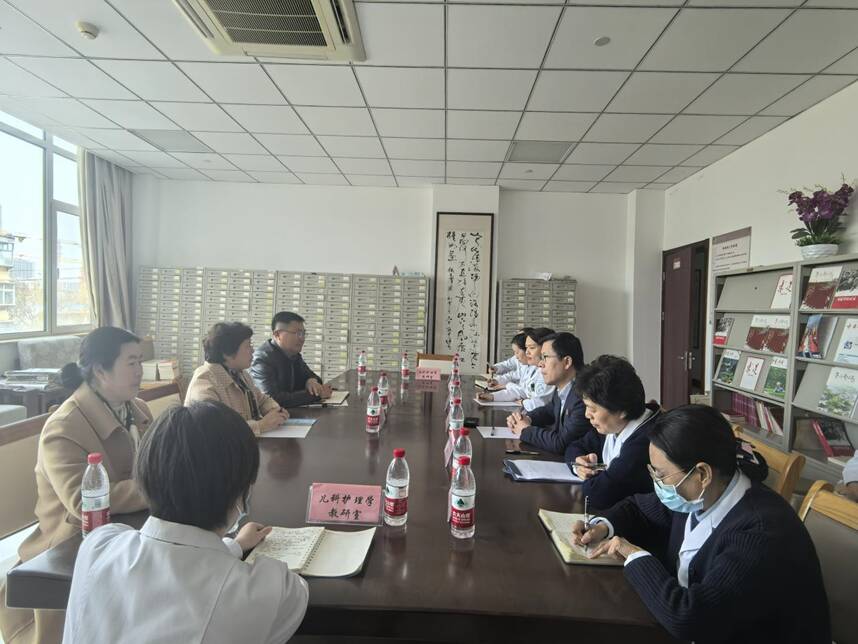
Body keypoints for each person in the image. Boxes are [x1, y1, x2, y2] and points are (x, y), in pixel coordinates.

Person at [573, 405, 831, 644]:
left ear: (702, 473)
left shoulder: (760, 533)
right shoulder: (700, 494)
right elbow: (638, 508)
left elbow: (690, 618)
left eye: (660, 474)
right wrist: (603, 526)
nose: (657, 483)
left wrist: (634, 555)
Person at [63, 401, 309, 643]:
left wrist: (234, 545)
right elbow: (295, 592)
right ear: (244, 491)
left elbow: (179, 557)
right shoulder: (266, 591)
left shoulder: (98, 546)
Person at [0, 327, 152, 644]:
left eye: (141, 361)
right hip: (69, 547)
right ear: (100, 370)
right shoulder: (64, 426)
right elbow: (85, 502)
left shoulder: (137, 409)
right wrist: (160, 485)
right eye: (132, 363)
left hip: (125, 530)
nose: (140, 370)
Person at [565, 355, 661, 509]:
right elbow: (574, 447)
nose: (587, 415)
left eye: (592, 409)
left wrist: (593, 474)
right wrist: (579, 466)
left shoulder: (645, 443)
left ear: (621, 409)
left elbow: (598, 494)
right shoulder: (613, 424)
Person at [186, 322, 289, 434]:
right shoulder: (204, 381)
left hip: (246, 441)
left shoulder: (240, 374)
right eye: (248, 345)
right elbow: (213, 430)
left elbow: (262, 399)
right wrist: (260, 425)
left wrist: (275, 411)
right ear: (227, 353)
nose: (253, 350)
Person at [506, 332, 593, 453]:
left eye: (545, 357)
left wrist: (525, 430)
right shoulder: (564, 387)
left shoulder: (584, 395)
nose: (540, 364)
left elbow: (561, 443)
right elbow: (549, 410)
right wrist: (525, 418)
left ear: (567, 362)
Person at [251, 312, 332, 408]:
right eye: (298, 333)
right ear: (277, 334)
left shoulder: (293, 354)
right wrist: (317, 395)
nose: (302, 339)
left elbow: (314, 377)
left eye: (303, 333)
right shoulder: (262, 360)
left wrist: (311, 381)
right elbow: (272, 399)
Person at [479, 327, 555, 412]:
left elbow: (541, 403)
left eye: (532, 347)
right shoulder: (535, 369)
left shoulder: (549, 373)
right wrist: (492, 396)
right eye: (526, 347)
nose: (527, 352)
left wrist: (524, 402)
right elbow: (524, 391)